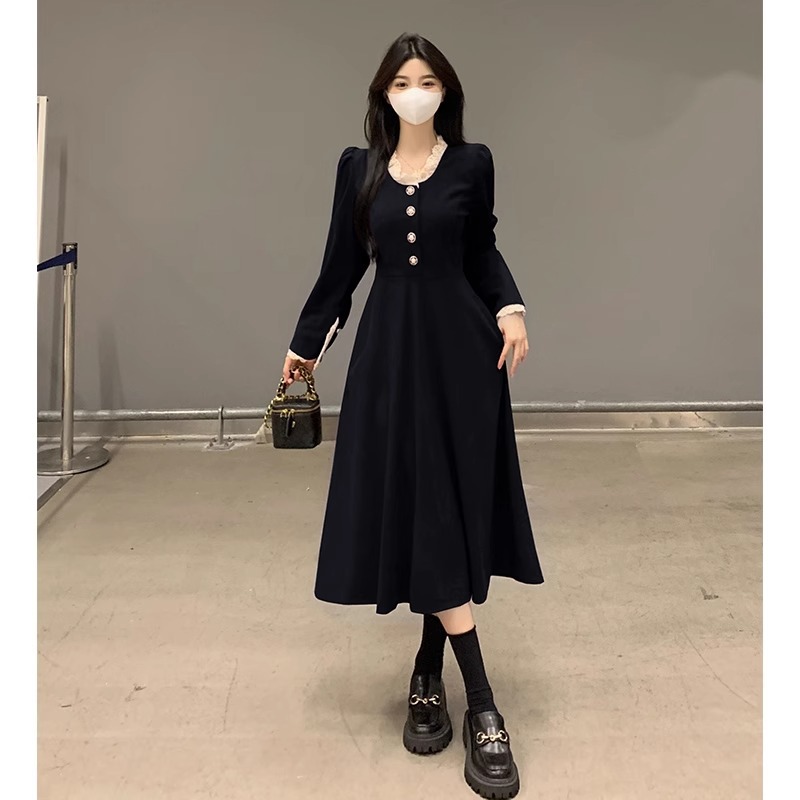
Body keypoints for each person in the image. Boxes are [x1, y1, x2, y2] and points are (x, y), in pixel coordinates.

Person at [281, 32, 544, 800]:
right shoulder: (358, 169)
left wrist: (511, 308)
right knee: (425, 508)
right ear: (384, 94)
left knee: (445, 510)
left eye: (427, 80)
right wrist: (305, 347)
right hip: (392, 362)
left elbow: (482, 250)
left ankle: (437, 674)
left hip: (464, 360)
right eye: (402, 81)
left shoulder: (472, 164)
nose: (415, 91)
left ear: (445, 91)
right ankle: (477, 699)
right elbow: (341, 266)